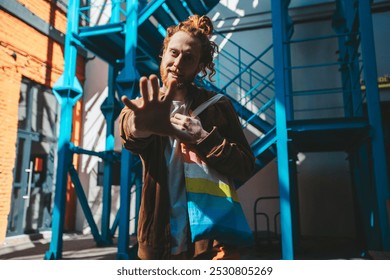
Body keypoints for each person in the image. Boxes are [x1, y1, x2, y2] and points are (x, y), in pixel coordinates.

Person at [119, 14, 255, 260]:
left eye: (189, 58)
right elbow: (130, 133)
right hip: (158, 240)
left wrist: (203, 137)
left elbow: (245, 166)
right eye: (173, 53)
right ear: (163, 53)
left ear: (201, 66)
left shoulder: (218, 106)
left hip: (212, 240)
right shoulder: (143, 106)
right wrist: (140, 126)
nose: (178, 63)